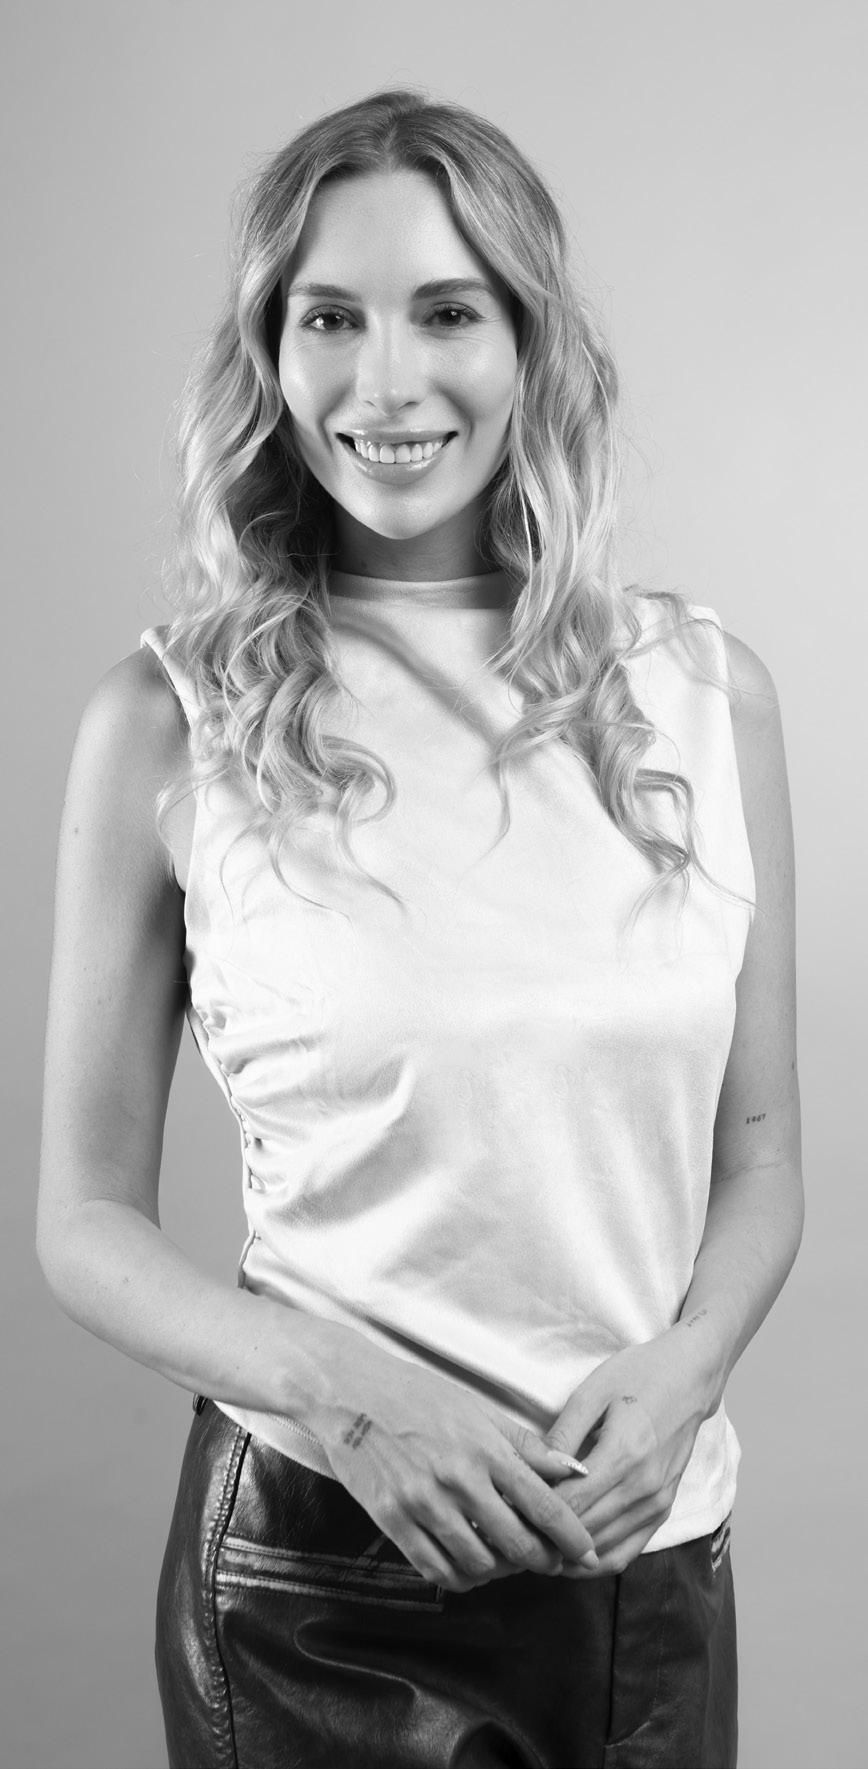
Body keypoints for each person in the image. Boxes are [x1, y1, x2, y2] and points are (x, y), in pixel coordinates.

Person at [37, 85, 803, 1769]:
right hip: (314, 1584)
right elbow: (81, 1220)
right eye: (332, 317)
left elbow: (761, 1161)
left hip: (649, 1568)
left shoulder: (705, 693)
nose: (385, 383)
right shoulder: (169, 718)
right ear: (270, 353)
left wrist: (691, 1365)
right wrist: (341, 1389)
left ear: (530, 342)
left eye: (447, 312)